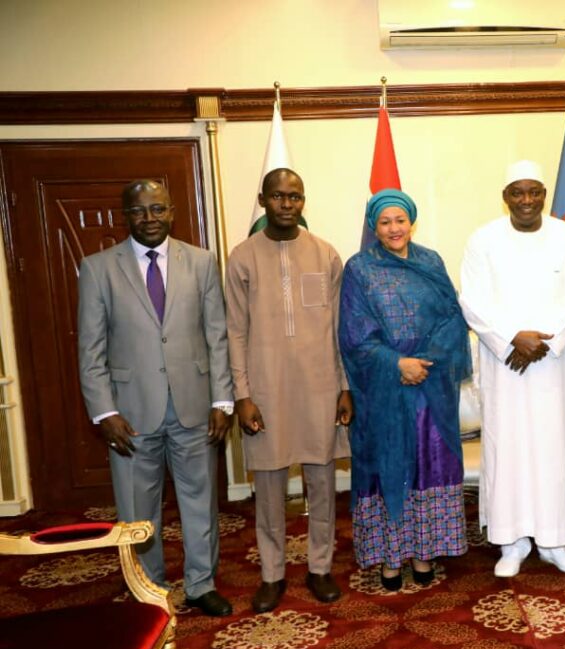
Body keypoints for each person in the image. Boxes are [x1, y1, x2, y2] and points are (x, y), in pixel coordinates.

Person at [77, 179, 233, 617]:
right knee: (137, 508)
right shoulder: (98, 269)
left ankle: (201, 584)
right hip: (129, 414)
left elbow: (216, 336)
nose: (149, 218)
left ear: (172, 212)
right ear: (125, 216)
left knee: (200, 501)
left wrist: (222, 401)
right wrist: (104, 411)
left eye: (158, 209)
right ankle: (149, 588)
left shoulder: (201, 262)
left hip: (195, 407)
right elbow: (90, 350)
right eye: (139, 211)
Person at [459, 160, 565, 578]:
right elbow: (472, 301)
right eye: (517, 192)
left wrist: (546, 341)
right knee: (509, 449)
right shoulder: (483, 239)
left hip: (556, 363)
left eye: (534, 191)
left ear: (544, 195)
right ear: (505, 197)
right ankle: (512, 541)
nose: (526, 200)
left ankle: (555, 542)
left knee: (557, 447)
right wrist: (511, 339)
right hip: (505, 364)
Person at [225, 168, 353, 612]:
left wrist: (344, 387)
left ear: (303, 201)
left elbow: (339, 329)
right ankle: (272, 574)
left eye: (294, 197)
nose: (286, 204)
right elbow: (234, 331)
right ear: (263, 200)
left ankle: (320, 567)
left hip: (320, 386)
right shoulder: (242, 257)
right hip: (266, 390)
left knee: (322, 484)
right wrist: (242, 395)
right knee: (269, 488)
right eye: (278, 196)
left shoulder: (325, 253)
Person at [339, 189, 472, 591]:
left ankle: (424, 552)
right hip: (383, 392)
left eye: (400, 220)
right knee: (388, 468)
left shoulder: (431, 262)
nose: (394, 229)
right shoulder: (359, 269)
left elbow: (453, 319)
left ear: (412, 222)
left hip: (431, 389)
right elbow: (355, 335)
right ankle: (391, 557)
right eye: (385, 222)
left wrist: (422, 363)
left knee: (429, 465)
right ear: (374, 226)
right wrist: (397, 363)